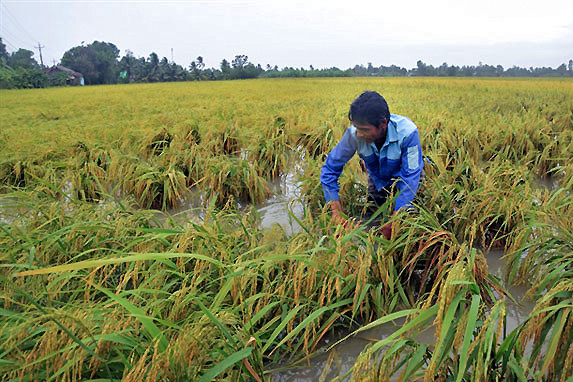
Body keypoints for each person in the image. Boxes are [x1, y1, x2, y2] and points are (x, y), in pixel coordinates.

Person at [320, 91, 424, 239]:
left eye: (365, 130)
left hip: (405, 178)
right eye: (357, 128)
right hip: (378, 179)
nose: (360, 134)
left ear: (383, 123)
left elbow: (411, 176)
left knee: (409, 220)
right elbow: (330, 169)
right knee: (373, 217)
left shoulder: (408, 133)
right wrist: (336, 212)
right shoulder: (353, 135)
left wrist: (396, 218)